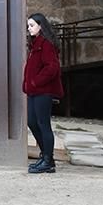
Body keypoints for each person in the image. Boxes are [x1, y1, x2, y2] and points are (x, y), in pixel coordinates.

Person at [24, 13, 63, 174]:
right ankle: (46, 156)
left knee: (43, 124)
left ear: (41, 26)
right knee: (32, 122)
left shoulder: (46, 44)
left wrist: (35, 82)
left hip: (43, 91)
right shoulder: (35, 44)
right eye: (28, 26)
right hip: (34, 91)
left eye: (32, 25)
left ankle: (48, 161)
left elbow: (52, 68)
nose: (29, 28)